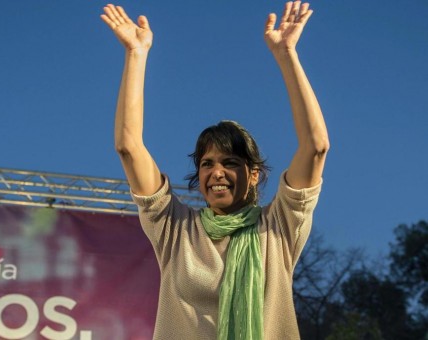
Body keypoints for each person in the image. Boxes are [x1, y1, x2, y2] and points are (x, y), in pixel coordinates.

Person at [100, 1, 328, 339]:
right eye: (207, 164)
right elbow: (128, 147)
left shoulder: (279, 226)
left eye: (230, 162)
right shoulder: (174, 228)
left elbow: (316, 147)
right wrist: (136, 53)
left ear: (253, 174)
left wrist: (286, 54)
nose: (217, 172)